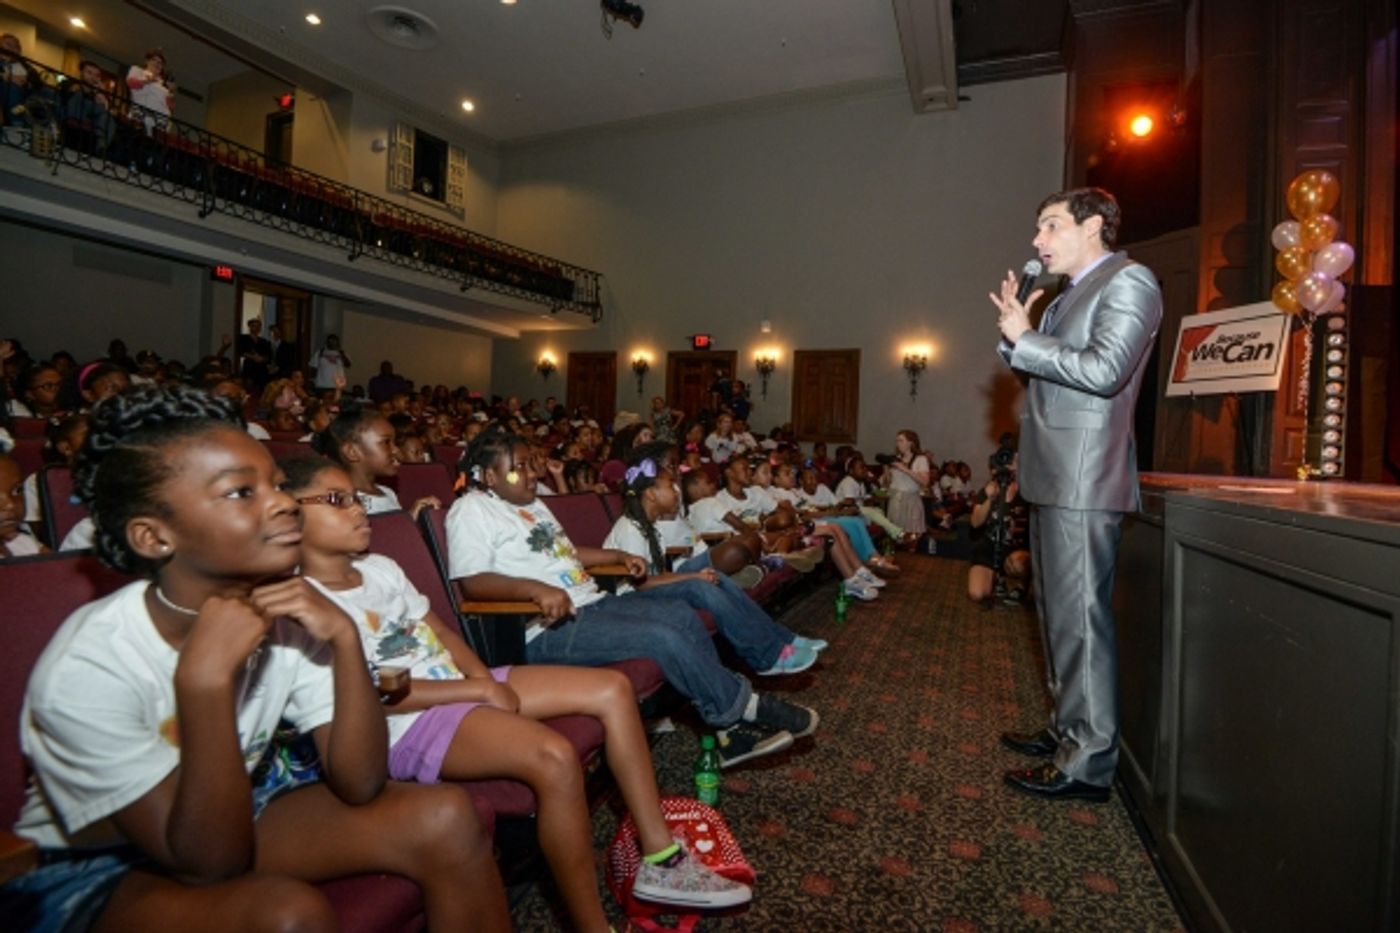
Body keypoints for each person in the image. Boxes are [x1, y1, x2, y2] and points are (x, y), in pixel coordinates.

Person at [0, 384, 509, 931]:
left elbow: (360, 781)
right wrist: (205, 686)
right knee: (288, 916)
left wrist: (341, 641)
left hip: (241, 802)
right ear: (154, 537)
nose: (284, 501)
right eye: (241, 492)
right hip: (94, 864)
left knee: (447, 816)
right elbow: (208, 864)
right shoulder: (92, 663)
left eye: (274, 483)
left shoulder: (292, 610)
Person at [286, 457, 751, 930]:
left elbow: (442, 634)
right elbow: (366, 698)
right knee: (552, 756)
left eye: (355, 498)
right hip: (406, 720)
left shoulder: (380, 568)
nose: (359, 509)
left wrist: (481, 680)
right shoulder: (301, 603)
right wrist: (474, 690)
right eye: (336, 500)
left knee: (612, 689)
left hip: (458, 683)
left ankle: (660, 858)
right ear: (290, 513)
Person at [446, 429, 817, 769]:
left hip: (588, 604)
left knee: (679, 613)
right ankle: (739, 714)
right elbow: (473, 582)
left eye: (531, 465)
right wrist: (534, 590)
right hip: (541, 629)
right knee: (662, 637)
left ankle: (729, 727)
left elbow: (568, 553)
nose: (531, 474)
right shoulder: (471, 510)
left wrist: (616, 558)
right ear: (489, 476)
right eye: (519, 468)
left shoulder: (534, 506)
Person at [988, 186, 1162, 802]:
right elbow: (1046, 372)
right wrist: (1017, 334)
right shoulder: (1069, 294)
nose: (1038, 240)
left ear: (1094, 226)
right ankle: (1069, 729)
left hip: (1085, 478)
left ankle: (1087, 763)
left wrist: (1027, 338)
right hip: (1054, 473)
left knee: (1081, 623)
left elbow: (1104, 370)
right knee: (1057, 616)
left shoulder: (1129, 281)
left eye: (1051, 226)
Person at [604, 458, 825, 675]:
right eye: (669, 486)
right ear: (651, 494)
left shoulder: (650, 527)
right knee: (699, 586)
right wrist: (693, 577)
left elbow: (657, 574)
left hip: (650, 587)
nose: (676, 491)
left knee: (716, 577)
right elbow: (642, 584)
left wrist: (697, 574)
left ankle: (782, 638)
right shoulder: (630, 529)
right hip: (630, 599)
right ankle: (767, 656)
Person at [315, 406, 440, 518]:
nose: (395, 450)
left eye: (394, 442)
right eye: (386, 442)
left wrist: (409, 520)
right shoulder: (343, 502)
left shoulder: (388, 492)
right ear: (352, 452)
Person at [882, 429, 932, 539]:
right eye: (897, 441)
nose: (897, 443)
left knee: (911, 536)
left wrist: (904, 469)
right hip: (895, 499)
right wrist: (886, 469)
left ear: (911, 443)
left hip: (911, 500)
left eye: (901, 440)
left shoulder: (920, 459)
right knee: (895, 535)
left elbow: (925, 481)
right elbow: (887, 484)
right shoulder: (897, 458)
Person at [125, 49, 174, 130]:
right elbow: (131, 83)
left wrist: (171, 93)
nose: (157, 64)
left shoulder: (164, 84)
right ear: (147, 61)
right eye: (154, 60)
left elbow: (171, 106)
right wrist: (147, 81)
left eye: (160, 63)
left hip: (159, 121)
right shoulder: (137, 70)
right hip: (140, 115)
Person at [235, 319, 273, 392]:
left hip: (262, 369)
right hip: (249, 367)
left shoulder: (264, 341)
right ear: (249, 327)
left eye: (259, 326)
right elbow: (241, 351)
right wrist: (253, 357)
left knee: (261, 390)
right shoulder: (243, 338)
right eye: (254, 326)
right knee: (249, 388)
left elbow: (268, 355)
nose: (256, 328)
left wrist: (262, 359)